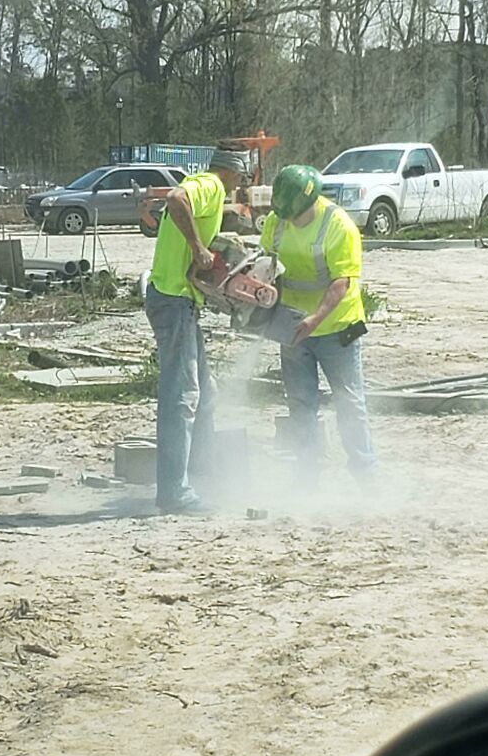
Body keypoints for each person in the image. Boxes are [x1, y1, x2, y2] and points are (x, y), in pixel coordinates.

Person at [145, 148, 247, 515]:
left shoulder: (210, 192)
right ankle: (173, 492)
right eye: (240, 181)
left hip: (179, 299)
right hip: (174, 301)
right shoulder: (210, 186)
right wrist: (198, 247)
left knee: (204, 393)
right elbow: (174, 199)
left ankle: (202, 474)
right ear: (233, 175)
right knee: (182, 396)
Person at [260, 164, 376, 485]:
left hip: (338, 328)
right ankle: (307, 475)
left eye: (294, 214)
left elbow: (341, 282)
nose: (290, 220)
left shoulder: (338, 225)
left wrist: (315, 319)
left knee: (349, 402)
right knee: (300, 403)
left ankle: (365, 473)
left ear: (309, 201)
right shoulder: (277, 220)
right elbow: (266, 264)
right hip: (293, 327)